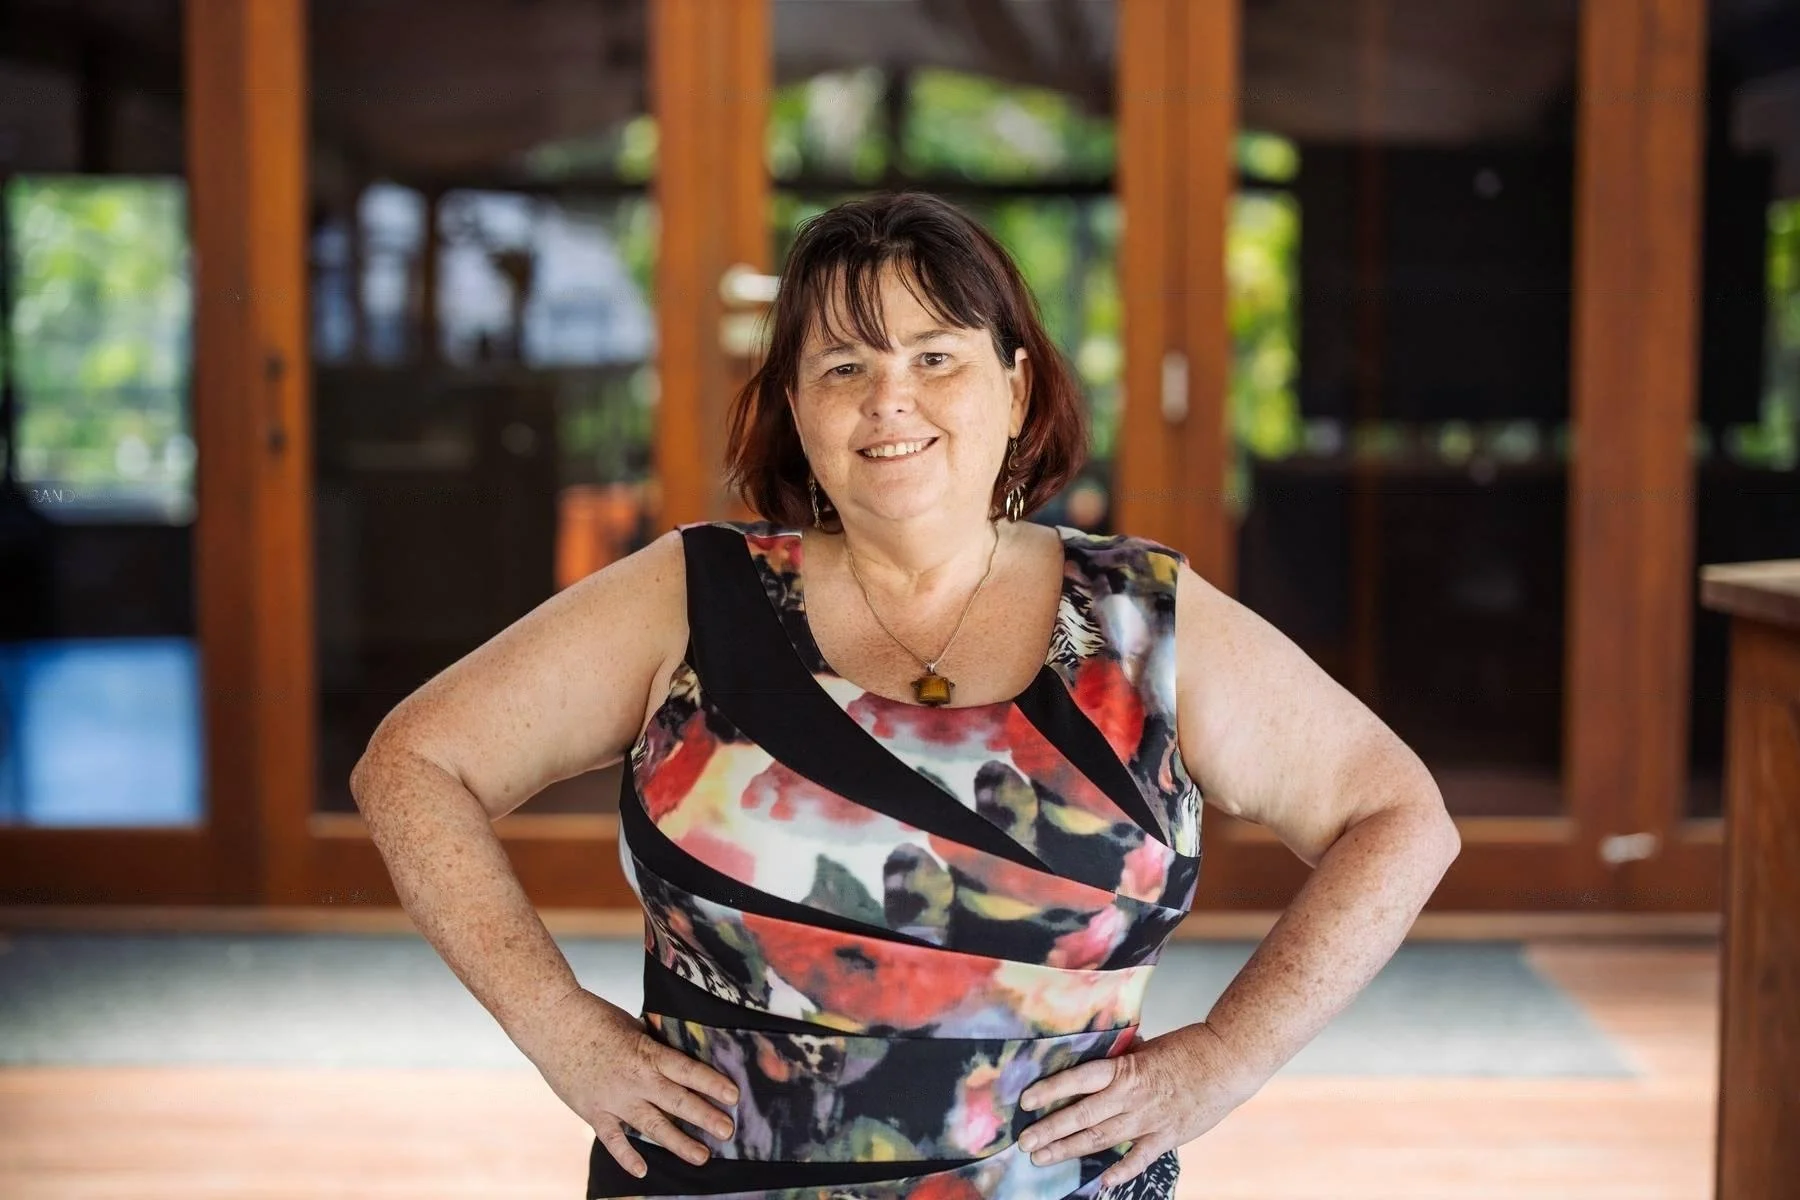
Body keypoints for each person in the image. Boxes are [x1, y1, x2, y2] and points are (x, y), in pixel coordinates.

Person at [350, 191, 1461, 1200]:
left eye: (937, 357)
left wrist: (1225, 1059)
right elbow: (412, 763)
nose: (891, 400)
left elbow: (1400, 818)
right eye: (843, 366)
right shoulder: (690, 595)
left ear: (1015, 385)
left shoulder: (1140, 617)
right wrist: (563, 1034)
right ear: (795, 404)